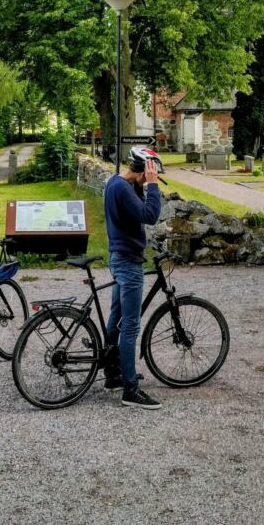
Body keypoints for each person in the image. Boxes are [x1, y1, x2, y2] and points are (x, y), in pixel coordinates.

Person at [103, 145, 164, 410]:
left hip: (120, 258)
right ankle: (130, 390)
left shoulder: (117, 184)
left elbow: (136, 209)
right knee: (129, 327)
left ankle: (113, 375)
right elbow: (149, 215)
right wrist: (152, 185)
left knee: (116, 318)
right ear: (143, 171)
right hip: (128, 263)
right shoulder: (122, 189)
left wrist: (143, 183)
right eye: (151, 172)